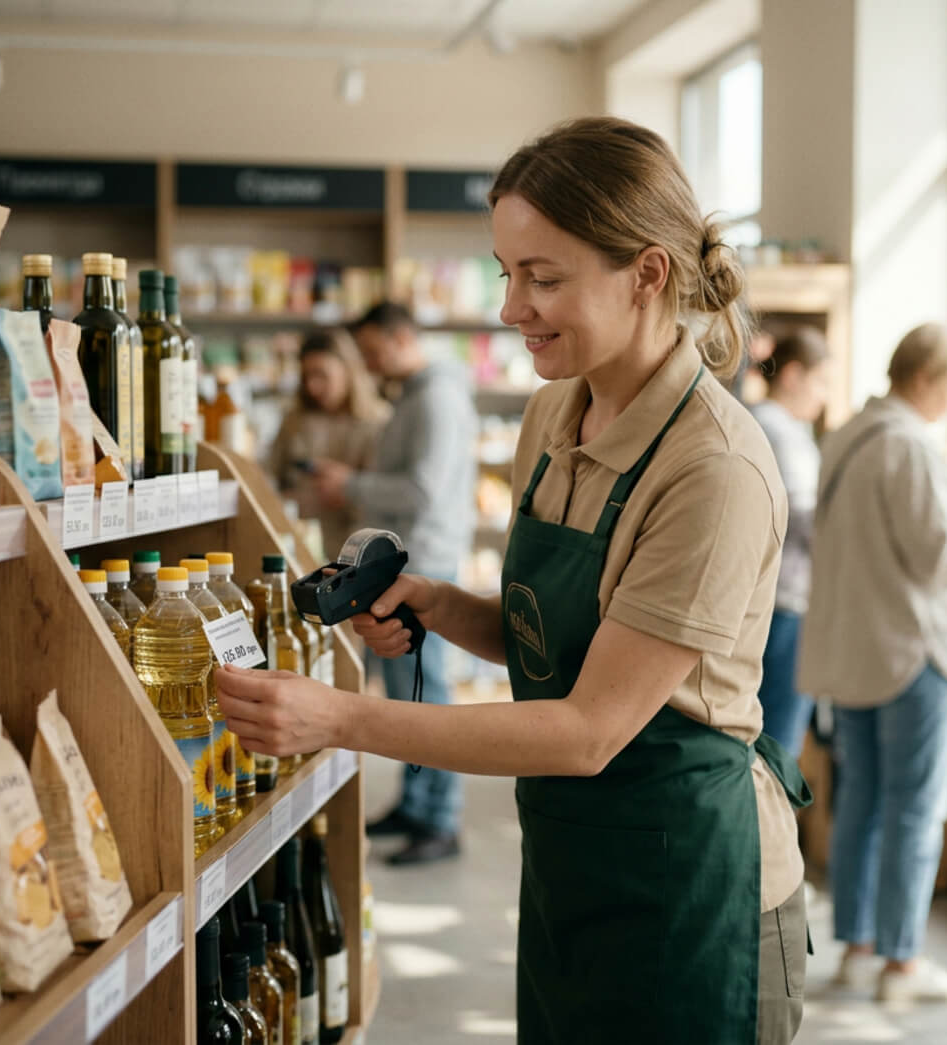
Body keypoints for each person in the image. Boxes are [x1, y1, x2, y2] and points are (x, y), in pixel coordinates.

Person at [214, 116, 810, 1044]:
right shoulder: (553, 413)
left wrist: (342, 720)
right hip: (572, 860)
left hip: (691, 883)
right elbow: (557, 639)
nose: (510, 308)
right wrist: (441, 605)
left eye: (544, 277)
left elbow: (587, 728)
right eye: (506, 273)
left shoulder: (713, 469)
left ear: (648, 273)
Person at [799, 322, 947, 1004]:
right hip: (913, 652)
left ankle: (858, 947)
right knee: (915, 809)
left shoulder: (847, 435)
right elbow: (940, 557)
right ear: (926, 378)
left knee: (862, 801)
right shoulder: (910, 446)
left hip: (854, 650)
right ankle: (903, 963)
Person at [307, 301, 478, 866]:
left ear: (401, 337)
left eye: (374, 350)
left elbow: (423, 491)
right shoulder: (416, 395)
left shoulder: (434, 398)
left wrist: (352, 483)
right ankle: (417, 804)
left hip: (423, 566)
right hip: (408, 562)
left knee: (427, 692)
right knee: (408, 692)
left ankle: (441, 820)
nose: (370, 363)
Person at [749, 327, 830, 757]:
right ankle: (770, 826)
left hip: (768, 602)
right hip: (785, 604)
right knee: (778, 747)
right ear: (794, 375)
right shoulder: (781, 432)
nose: (824, 397)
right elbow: (808, 519)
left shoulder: (757, 421)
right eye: (822, 381)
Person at [264, 327, 389, 558]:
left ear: (348, 370)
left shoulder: (379, 422)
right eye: (306, 377)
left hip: (361, 555)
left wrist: (349, 486)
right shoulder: (294, 421)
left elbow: (389, 496)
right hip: (300, 552)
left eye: (322, 375)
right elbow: (268, 478)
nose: (313, 386)